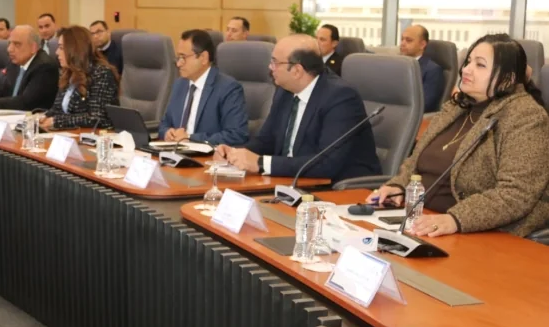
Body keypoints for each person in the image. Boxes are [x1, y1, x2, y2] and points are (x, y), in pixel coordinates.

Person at [370, 34, 549, 238]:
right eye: (468, 61)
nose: (466, 70)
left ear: (507, 79)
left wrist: (455, 219)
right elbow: (416, 160)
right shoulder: (456, 107)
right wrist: (399, 185)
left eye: (480, 65)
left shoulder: (525, 117)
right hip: (422, 220)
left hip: (482, 232)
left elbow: (516, 194)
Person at [215, 34, 381, 182]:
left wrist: (260, 163)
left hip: (339, 188)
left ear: (296, 70)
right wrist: (235, 153)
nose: (270, 67)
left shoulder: (341, 97)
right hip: (291, 181)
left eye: (275, 62)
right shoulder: (285, 91)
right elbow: (267, 140)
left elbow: (326, 163)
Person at [158, 29, 249, 146]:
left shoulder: (228, 88)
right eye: (178, 57)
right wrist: (167, 132)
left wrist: (190, 138)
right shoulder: (179, 84)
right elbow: (164, 123)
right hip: (174, 151)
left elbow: (236, 135)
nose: (179, 63)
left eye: (183, 57)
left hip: (207, 154)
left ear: (203, 58)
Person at [40, 26, 119, 130]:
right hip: (70, 134)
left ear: (76, 50)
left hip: (95, 136)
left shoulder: (102, 73)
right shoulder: (67, 72)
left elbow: (96, 118)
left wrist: (56, 121)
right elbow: (57, 108)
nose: (57, 52)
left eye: (61, 48)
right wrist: (43, 117)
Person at [0, 25, 58, 111]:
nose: (9, 49)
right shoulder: (15, 63)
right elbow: (3, 91)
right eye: (9, 43)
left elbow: (26, 102)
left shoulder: (45, 67)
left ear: (33, 48)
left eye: (17, 44)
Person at [400, 24, 444, 112]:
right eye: (402, 39)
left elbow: (424, 104)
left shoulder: (432, 70)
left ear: (422, 44)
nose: (402, 44)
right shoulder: (397, 64)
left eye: (409, 40)